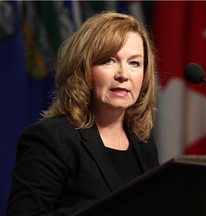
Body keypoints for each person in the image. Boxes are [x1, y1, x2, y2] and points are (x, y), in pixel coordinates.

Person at [6, 11, 159, 215]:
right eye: (109, 61)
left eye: (134, 63)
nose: (123, 75)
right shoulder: (51, 139)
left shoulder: (144, 143)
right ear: (83, 69)